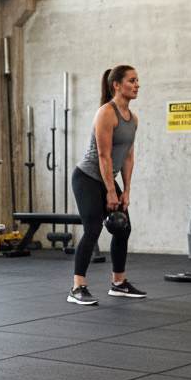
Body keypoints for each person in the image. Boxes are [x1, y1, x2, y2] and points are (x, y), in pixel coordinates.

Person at [67, 65, 146, 305]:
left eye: (137, 80)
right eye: (131, 80)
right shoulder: (106, 113)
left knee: (123, 228)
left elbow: (128, 158)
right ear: (117, 85)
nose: (137, 85)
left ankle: (119, 284)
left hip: (108, 178)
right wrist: (111, 192)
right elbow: (103, 156)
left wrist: (126, 191)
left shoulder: (133, 119)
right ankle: (77, 288)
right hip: (88, 177)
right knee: (93, 228)